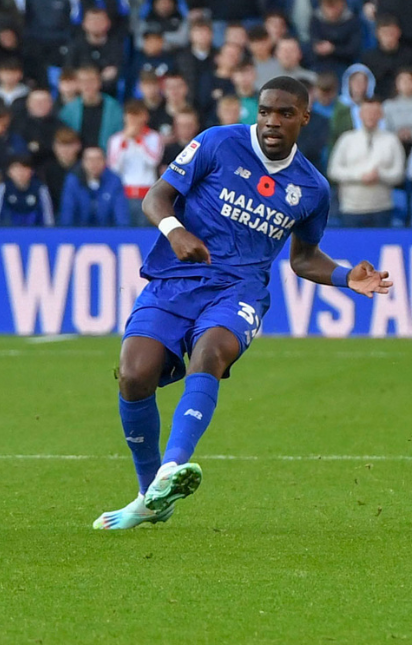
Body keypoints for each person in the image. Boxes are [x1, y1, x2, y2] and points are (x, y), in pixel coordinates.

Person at [93, 76, 392, 531]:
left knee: (210, 353)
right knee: (134, 375)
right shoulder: (216, 142)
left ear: (304, 118)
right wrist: (176, 232)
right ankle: (150, 492)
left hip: (240, 289)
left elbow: (304, 258)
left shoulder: (312, 188)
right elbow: (157, 198)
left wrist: (345, 276)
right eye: (266, 111)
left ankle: (173, 467)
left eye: (285, 114)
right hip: (176, 277)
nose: (272, 122)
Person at [328, 97, 407, 228]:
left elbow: (399, 173)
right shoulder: (347, 139)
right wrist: (359, 176)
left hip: (382, 209)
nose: (370, 116)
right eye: (367, 112)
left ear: (381, 115)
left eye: (374, 112)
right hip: (351, 209)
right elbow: (334, 170)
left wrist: (380, 175)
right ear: (360, 114)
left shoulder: (391, 140)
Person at [58, 145, 128, 227]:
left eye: (98, 159)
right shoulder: (73, 181)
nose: (94, 163)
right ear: (83, 162)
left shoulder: (114, 181)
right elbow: (67, 215)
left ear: (105, 161)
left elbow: (121, 216)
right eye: (90, 159)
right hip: (79, 234)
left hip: (107, 234)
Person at [58, 66, 123, 151]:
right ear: (78, 84)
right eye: (83, 82)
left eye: (91, 81)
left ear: (99, 83)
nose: (88, 85)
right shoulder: (68, 111)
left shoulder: (114, 108)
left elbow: (119, 136)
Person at [308, 0, 362, 80]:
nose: (332, 12)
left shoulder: (351, 21)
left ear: (343, 3)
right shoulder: (316, 19)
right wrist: (318, 48)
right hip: (319, 64)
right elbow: (313, 42)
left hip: (343, 64)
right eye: (328, 7)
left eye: (335, 6)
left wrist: (333, 49)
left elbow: (353, 49)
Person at [0, 154, 53, 226]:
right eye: (16, 169)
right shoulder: (3, 188)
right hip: (9, 230)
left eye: (24, 168)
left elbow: (47, 216)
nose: (20, 173)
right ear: (9, 172)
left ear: (31, 171)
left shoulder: (40, 188)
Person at [360, 16, 412, 100]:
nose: (388, 37)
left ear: (398, 32)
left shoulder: (409, 55)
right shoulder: (369, 58)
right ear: (377, 34)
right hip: (378, 99)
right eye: (385, 33)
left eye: (391, 33)